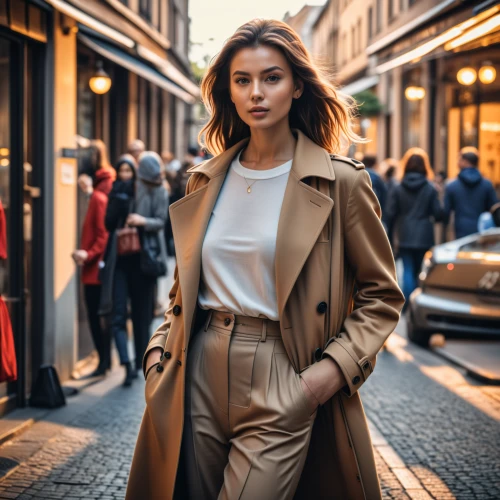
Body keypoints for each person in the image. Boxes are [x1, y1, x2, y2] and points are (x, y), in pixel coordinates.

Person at [126, 19, 404, 500]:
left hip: (285, 366)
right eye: (242, 80)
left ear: (297, 86)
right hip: (196, 364)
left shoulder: (341, 184)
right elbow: (182, 288)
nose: (257, 92)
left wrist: (325, 377)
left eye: (271, 78)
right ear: (228, 92)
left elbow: (381, 295)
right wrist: (156, 356)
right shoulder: (204, 180)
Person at [110, 152, 168, 387]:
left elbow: (162, 221)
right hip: (124, 259)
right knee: (119, 313)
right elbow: (111, 218)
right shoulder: (129, 187)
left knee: (143, 318)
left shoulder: (160, 190)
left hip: (147, 260)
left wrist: (142, 221)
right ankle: (126, 364)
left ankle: (141, 363)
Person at [72, 140, 115, 377]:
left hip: (95, 269)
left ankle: (103, 363)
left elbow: (103, 234)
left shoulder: (99, 197)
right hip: (96, 267)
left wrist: (87, 254)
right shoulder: (99, 193)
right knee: (101, 316)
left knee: (97, 316)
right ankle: (105, 362)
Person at [385, 148, 443, 303]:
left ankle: (409, 303)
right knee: (420, 270)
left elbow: (390, 213)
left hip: (404, 233)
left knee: (407, 269)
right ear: (425, 166)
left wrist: (390, 235)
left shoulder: (398, 188)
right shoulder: (430, 188)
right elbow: (438, 214)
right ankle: (418, 303)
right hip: (424, 234)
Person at [444, 147, 498, 239]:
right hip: (482, 231)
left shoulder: (452, 186)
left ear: (464, 162)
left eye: (459, 160)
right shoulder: (487, 185)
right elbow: (495, 209)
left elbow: (445, 213)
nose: (457, 163)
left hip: (460, 231)